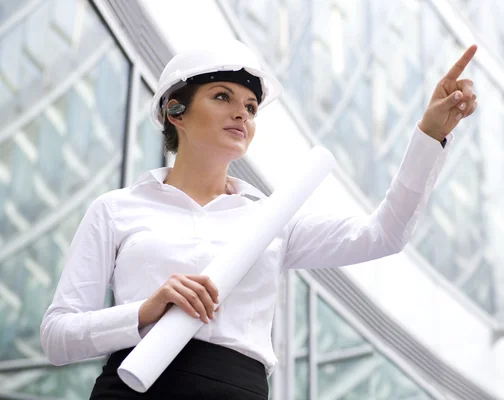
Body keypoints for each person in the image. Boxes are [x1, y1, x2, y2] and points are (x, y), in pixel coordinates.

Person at [40, 39, 477, 399]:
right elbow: (58, 334)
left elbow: (384, 233)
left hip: (237, 390)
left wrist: (431, 133)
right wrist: (143, 311)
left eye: (250, 107)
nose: (242, 115)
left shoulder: (271, 220)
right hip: (134, 385)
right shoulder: (115, 209)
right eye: (222, 97)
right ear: (176, 111)